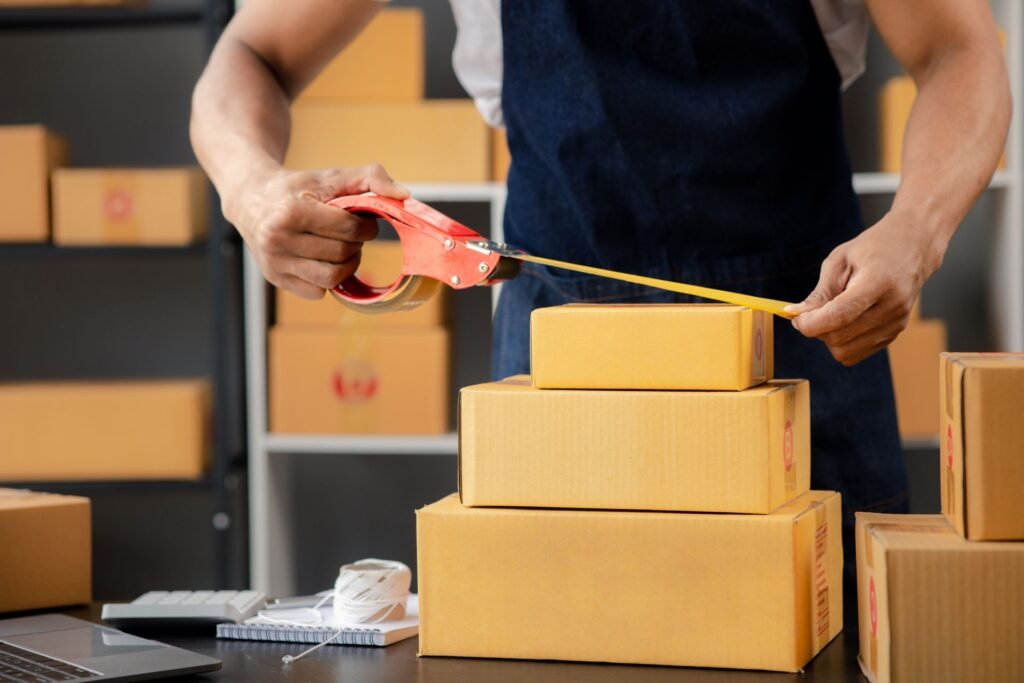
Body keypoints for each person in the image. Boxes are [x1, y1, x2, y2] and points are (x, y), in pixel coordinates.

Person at [191, 0, 1010, 602]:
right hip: (563, 363)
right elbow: (250, 53)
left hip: (801, 341)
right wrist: (253, 190)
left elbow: (959, 48)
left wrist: (914, 234)